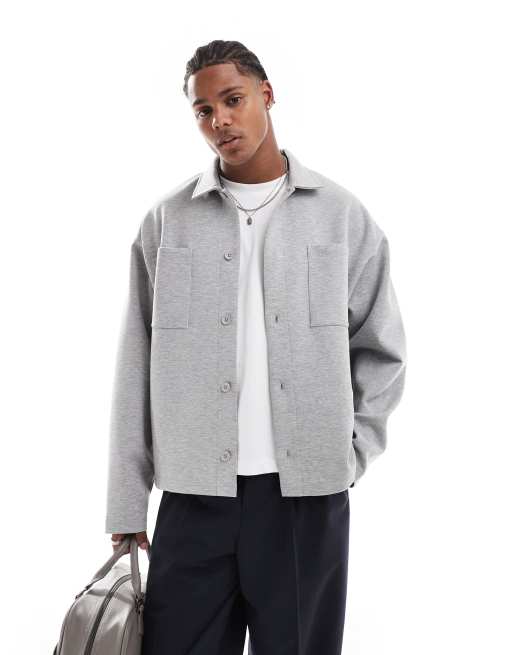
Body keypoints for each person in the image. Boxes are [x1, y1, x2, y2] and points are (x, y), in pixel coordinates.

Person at [105, 39, 407, 655]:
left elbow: (382, 349)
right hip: (193, 498)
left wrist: (349, 454)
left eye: (233, 100)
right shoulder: (166, 222)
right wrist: (127, 502)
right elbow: (135, 364)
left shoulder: (341, 217)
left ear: (266, 95)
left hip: (305, 501)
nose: (219, 120)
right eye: (203, 110)